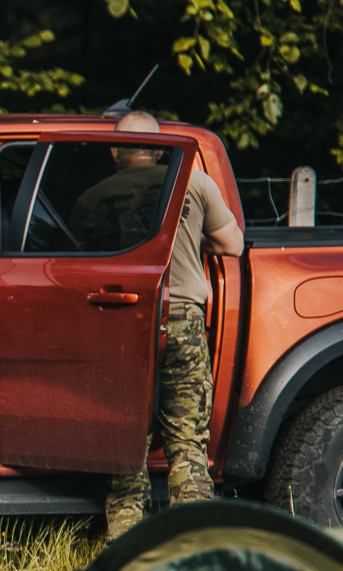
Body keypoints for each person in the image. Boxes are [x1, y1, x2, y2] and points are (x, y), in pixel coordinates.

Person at [83, 111, 243, 538]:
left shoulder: (94, 196)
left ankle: (126, 553)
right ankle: (196, 547)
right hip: (183, 316)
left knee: (125, 446)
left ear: (115, 151)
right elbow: (234, 243)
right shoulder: (194, 182)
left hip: (120, 322)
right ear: (158, 149)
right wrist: (189, 238)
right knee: (187, 442)